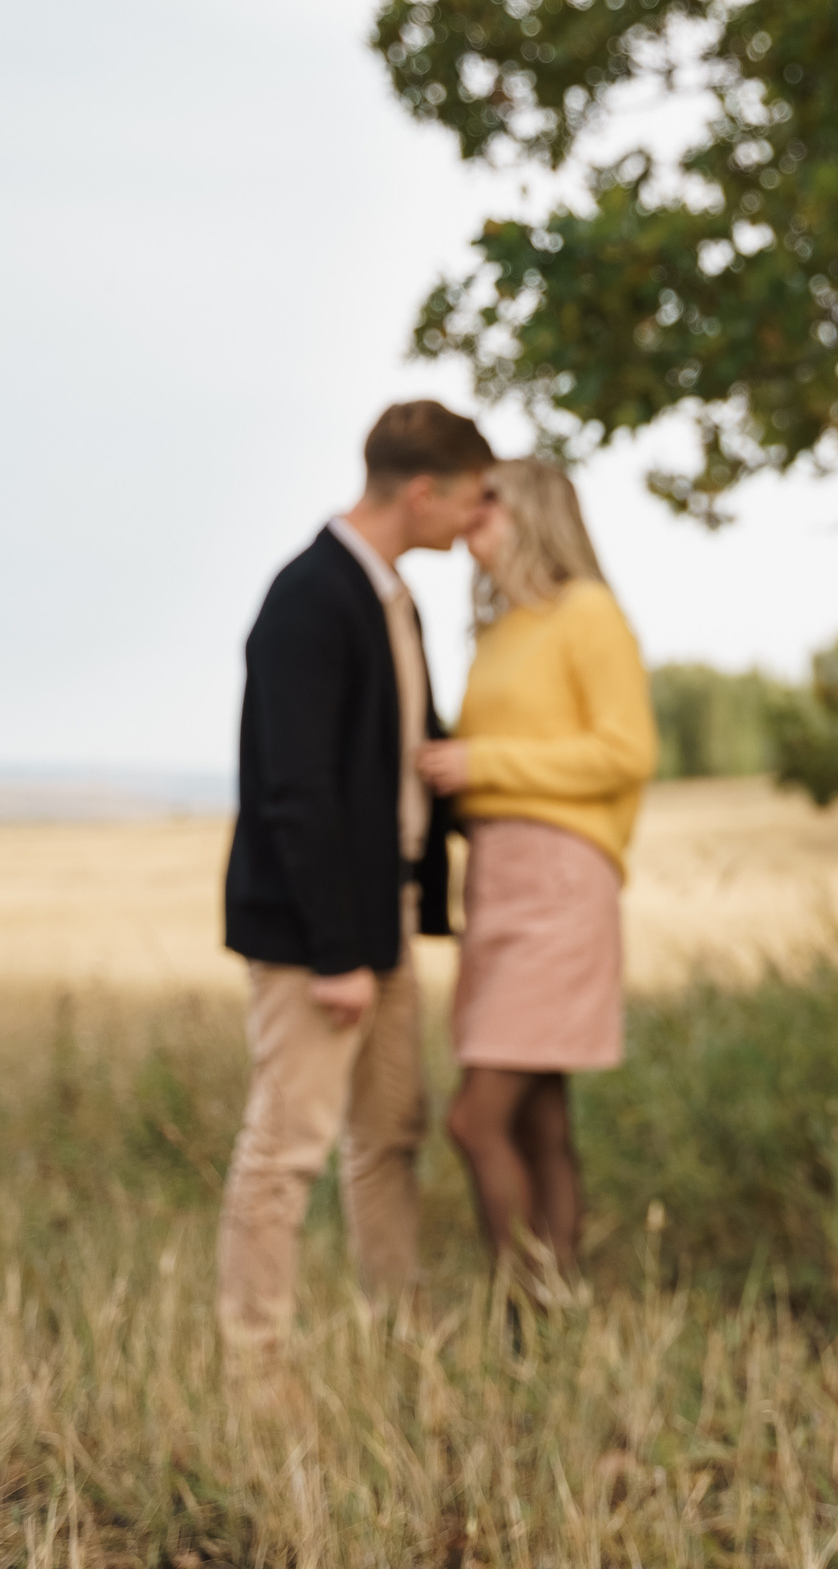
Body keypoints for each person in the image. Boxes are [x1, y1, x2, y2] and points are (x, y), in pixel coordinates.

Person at [217, 400, 493, 1356]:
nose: (475, 517)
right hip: (316, 938)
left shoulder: (393, 599)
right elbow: (296, 792)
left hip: (384, 922)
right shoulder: (309, 597)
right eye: (468, 497)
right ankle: (257, 1369)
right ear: (421, 492)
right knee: (284, 1148)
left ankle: (401, 1332)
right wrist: (336, 954)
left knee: (390, 1135)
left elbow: (408, 756)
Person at [416, 458, 655, 1291]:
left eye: (488, 504)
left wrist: (480, 761)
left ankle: (521, 1307)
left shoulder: (587, 612)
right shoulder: (498, 629)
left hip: (560, 877)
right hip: (494, 876)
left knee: (474, 1118)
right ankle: (560, 1304)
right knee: (539, 1118)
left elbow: (626, 751)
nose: (470, 517)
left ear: (532, 512)